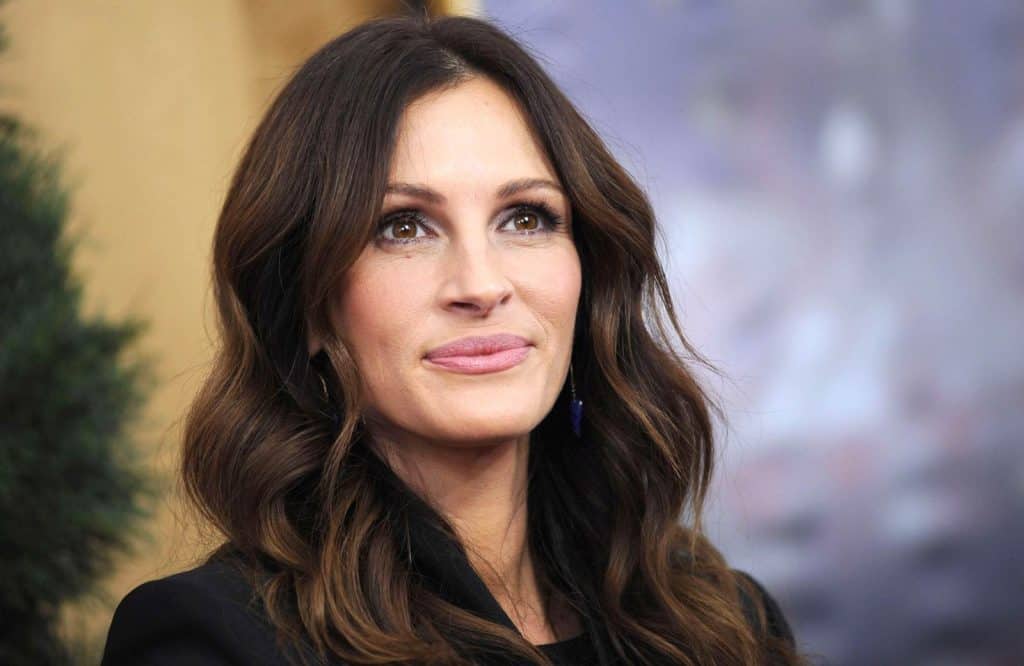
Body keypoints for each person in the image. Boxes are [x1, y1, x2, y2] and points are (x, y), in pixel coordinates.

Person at [101, 11, 803, 666]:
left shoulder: (724, 620)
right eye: (403, 227)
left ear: (588, 273)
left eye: (525, 218)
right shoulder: (216, 638)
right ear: (308, 306)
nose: (482, 284)